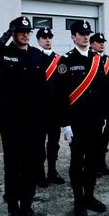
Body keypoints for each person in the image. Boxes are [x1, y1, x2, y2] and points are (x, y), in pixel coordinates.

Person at [0, 16, 44, 216]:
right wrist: (2, 39)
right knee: (13, 166)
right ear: (13, 33)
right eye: (20, 31)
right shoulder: (3, 54)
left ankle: (27, 208)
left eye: (28, 31)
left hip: (33, 123)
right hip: (11, 123)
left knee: (32, 166)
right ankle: (13, 210)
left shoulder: (36, 55)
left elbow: (47, 86)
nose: (25, 34)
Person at [55, 20, 107, 216]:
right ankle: (79, 201)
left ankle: (90, 197)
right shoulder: (66, 61)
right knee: (77, 162)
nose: (85, 36)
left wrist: (103, 115)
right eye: (81, 34)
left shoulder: (97, 59)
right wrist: (64, 123)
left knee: (93, 161)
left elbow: (102, 90)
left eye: (87, 33)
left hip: (95, 121)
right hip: (76, 123)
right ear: (73, 37)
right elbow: (60, 96)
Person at [35, 28, 65, 188]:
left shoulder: (59, 59)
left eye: (49, 37)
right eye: (44, 37)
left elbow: (64, 87)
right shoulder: (33, 57)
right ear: (38, 40)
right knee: (39, 145)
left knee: (54, 144)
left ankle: (52, 172)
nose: (47, 40)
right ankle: (40, 174)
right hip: (38, 111)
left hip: (55, 111)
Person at [90, 32, 109, 177]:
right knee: (93, 137)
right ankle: (92, 165)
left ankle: (102, 163)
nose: (102, 44)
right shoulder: (88, 59)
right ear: (92, 44)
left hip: (107, 104)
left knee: (105, 135)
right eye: (98, 42)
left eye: (103, 42)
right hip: (92, 105)